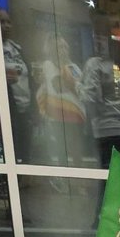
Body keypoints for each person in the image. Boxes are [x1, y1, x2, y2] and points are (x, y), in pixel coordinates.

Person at [79, 16, 120, 168]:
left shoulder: (94, 64)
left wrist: (75, 85)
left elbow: (90, 97)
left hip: (105, 129)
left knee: (107, 177)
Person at [36, 33, 86, 166]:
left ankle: (79, 181)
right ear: (51, 49)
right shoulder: (47, 65)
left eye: (65, 46)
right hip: (57, 115)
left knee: (76, 150)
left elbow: (78, 87)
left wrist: (65, 67)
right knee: (61, 151)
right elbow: (57, 85)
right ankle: (65, 181)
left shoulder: (73, 67)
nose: (63, 50)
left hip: (74, 115)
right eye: (59, 47)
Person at [0, 10, 34, 163]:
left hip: (24, 109)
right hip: (5, 113)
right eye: (1, 22)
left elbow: (29, 77)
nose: (6, 26)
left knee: (25, 154)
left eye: (8, 22)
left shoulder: (17, 48)